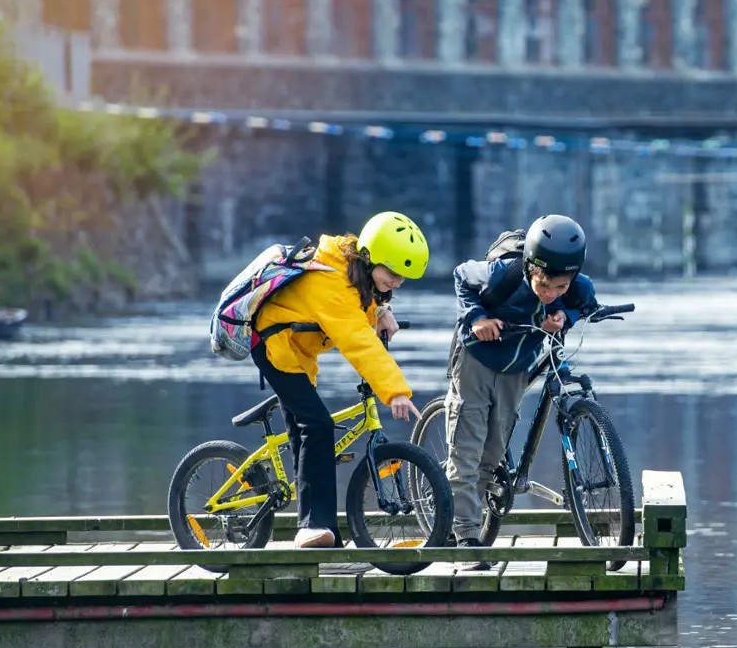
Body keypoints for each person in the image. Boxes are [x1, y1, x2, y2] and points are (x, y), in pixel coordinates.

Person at [252, 211, 428, 549]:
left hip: (297, 351)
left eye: (402, 278)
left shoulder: (352, 273)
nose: (397, 283)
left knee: (307, 433)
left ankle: (320, 529)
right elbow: (357, 340)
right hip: (274, 348)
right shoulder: (330, 282)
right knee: (316, 425)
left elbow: (359, 303)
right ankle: (312, 527)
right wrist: (395, 392)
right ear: (368, 258)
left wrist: (380, 309)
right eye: (392, 274)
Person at [447, 214, 599, 569]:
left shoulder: (574, 285)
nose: (550, 293)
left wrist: (565, 315)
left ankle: (472, 513)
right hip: (477, 358)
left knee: (493, 450)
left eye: (559, 288)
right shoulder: (503, 274)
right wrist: (477, 319)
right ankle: (466, 536)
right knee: (467, 449)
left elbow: (584, 302)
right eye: (543, 285)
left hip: (516, 368)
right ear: (530, 267)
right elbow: (460, 276)